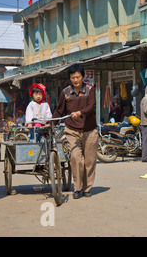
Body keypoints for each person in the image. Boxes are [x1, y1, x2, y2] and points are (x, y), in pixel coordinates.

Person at [52, 63, 98, 199]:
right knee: (76, 158)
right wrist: (50, 124)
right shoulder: (65, 92)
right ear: (70, 78)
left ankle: (87, 188)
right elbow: (59, 110)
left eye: (78, 77)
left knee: (89, 160)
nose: (75, 80)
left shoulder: (90, 89)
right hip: (72, 130)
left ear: (83, 77)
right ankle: (77, 188)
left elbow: (91, 106)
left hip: (90, 130)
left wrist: (80, 112)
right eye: (73, 77)